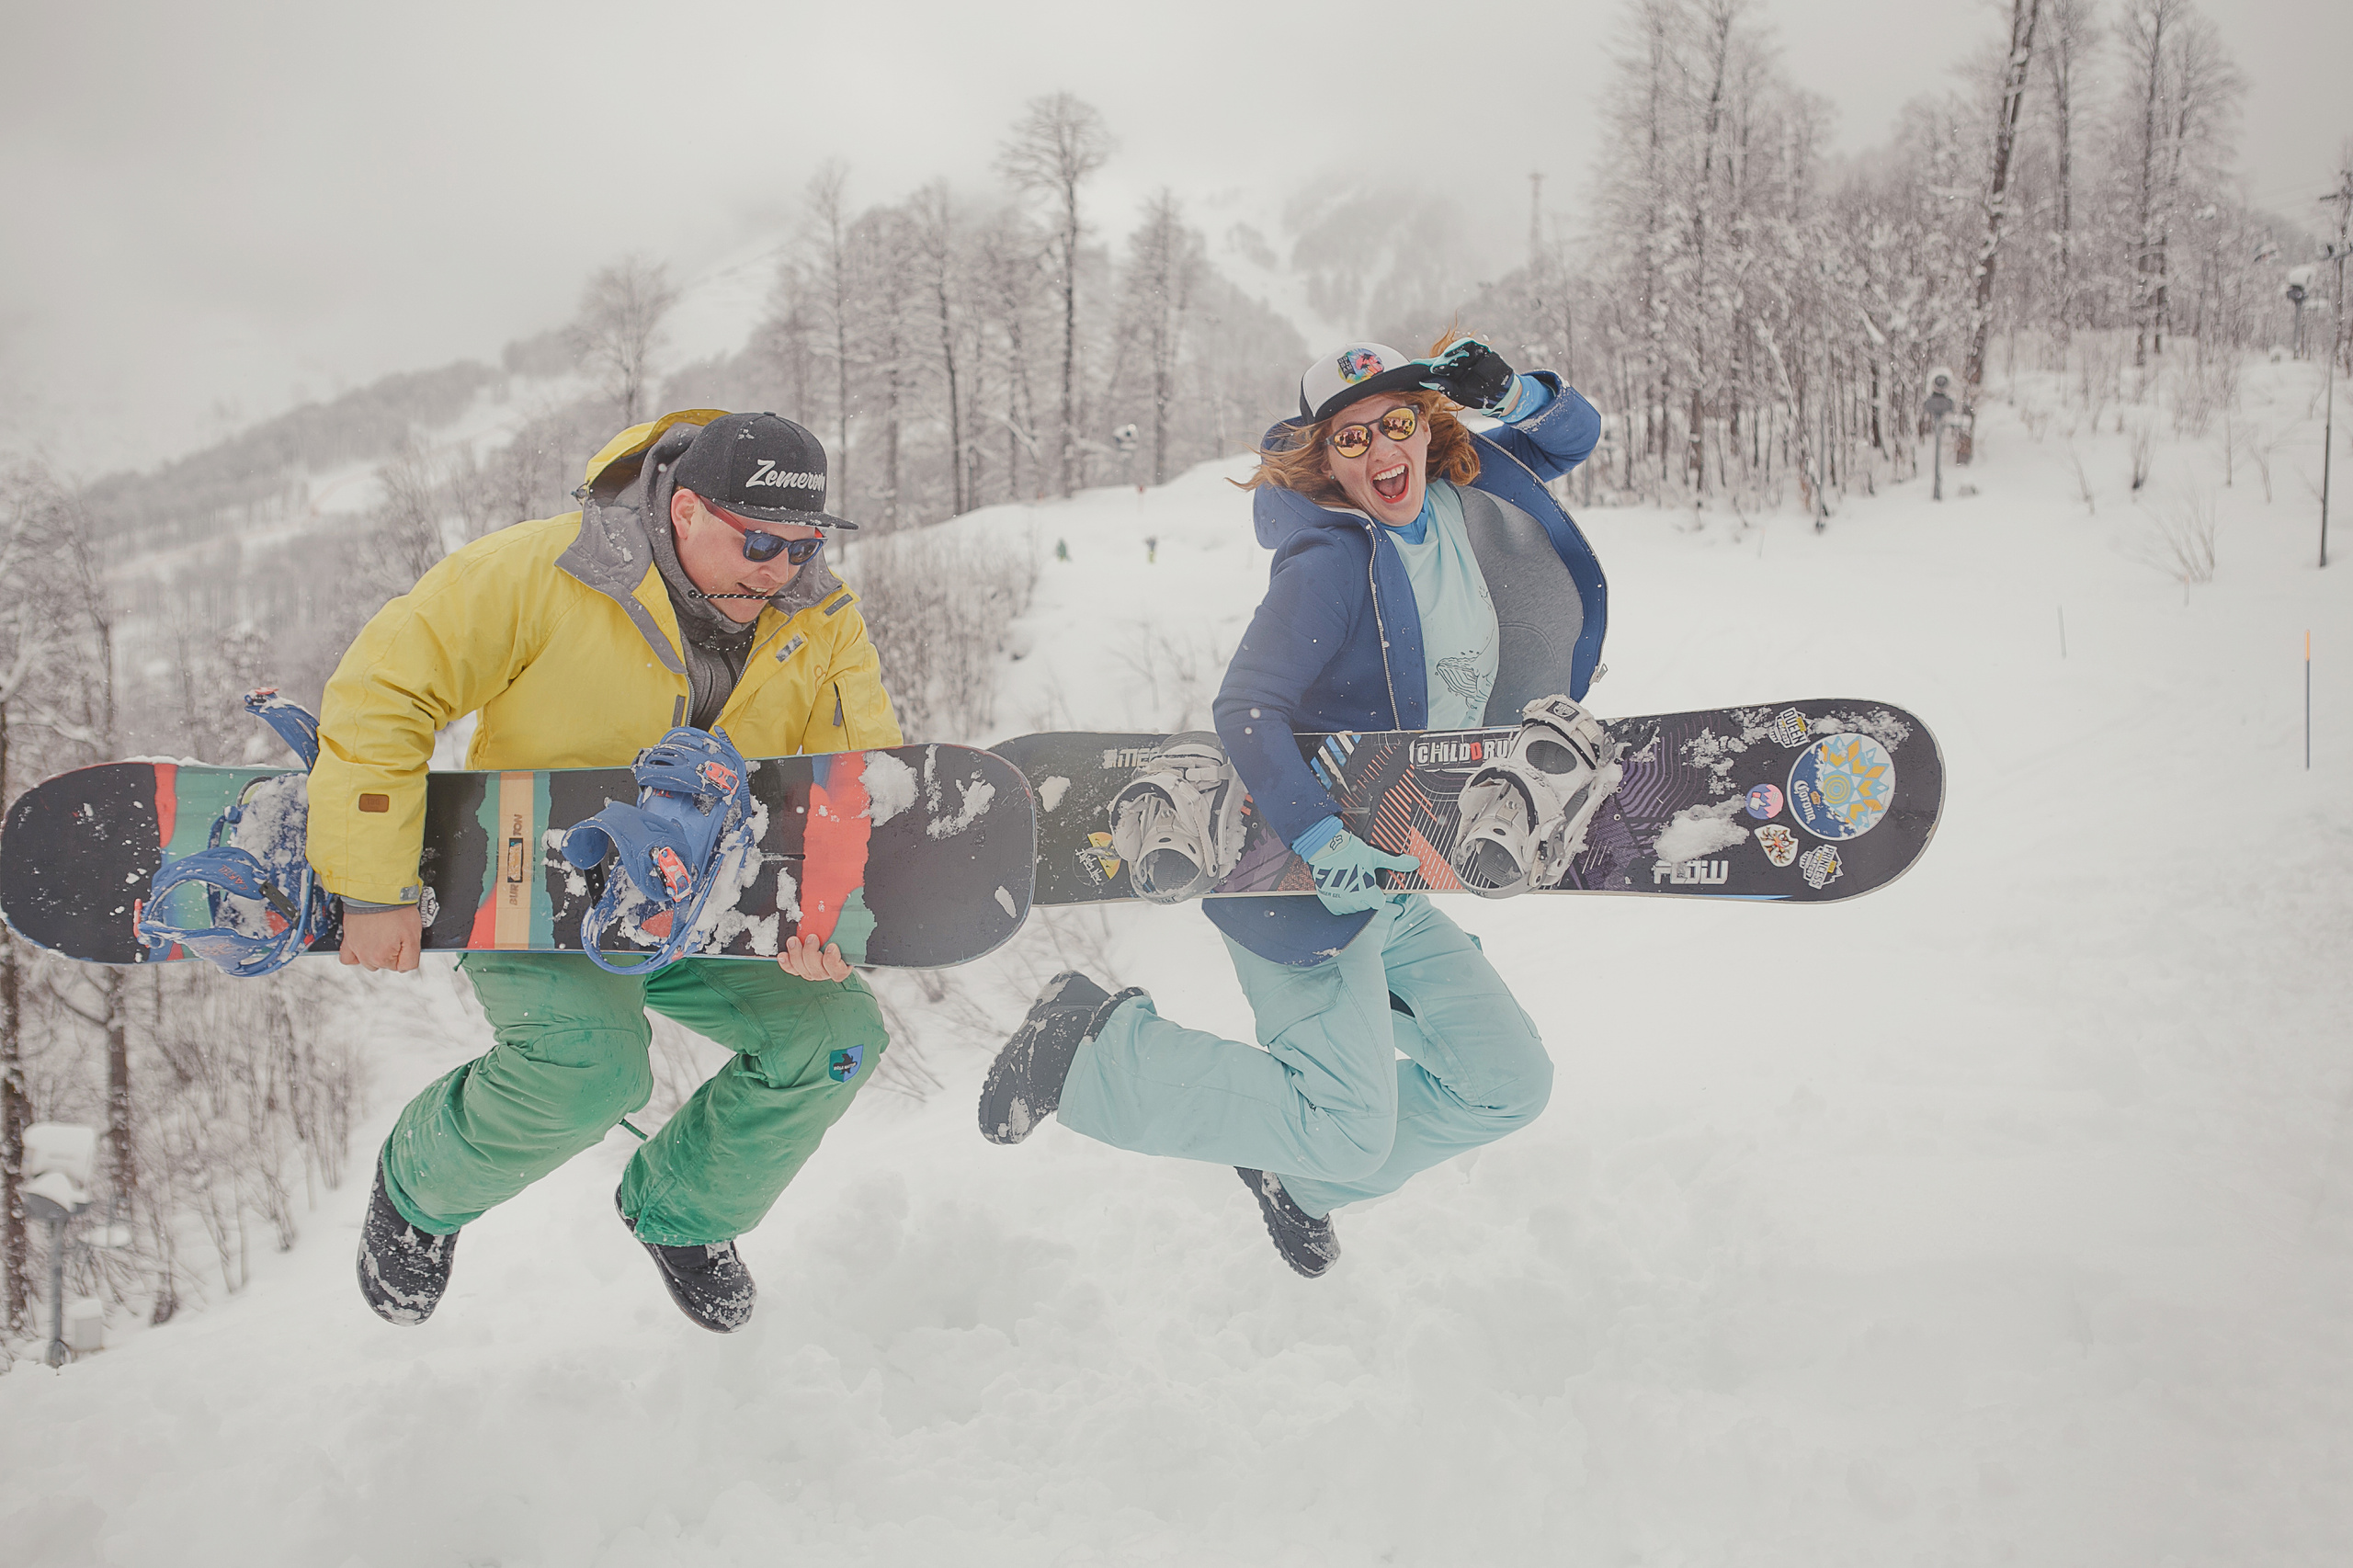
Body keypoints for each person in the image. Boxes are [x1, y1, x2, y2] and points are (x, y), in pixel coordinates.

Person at [978, 335, 1608, 1276]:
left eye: (1396, 423)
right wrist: (1317, 837)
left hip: (1395, 875)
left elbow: (1570, 438)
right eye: (1350, 439)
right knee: (1346, 1127)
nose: (1380, 451)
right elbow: (1245, 707)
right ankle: (1089, 1050)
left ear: (1428, 426)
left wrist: (1511, 391)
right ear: (1325, 460)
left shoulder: (1459, 499)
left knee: (1506, 1084)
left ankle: (1296, 1181)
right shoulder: (1330, 560)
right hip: (1295, 878)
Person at [322, 409, 903, 1332]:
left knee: (835, 1037)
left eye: (802, 546)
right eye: (759, 542)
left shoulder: (819, 619)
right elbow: (384, 689)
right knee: (590, 1074)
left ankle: (683, 1208)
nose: (780, 569)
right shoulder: (546, 569)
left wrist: (827, 919)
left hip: (710, 893)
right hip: (542, 884)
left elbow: (853, 772)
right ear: (685, 510)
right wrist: (372, 881)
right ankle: (418, 1188)